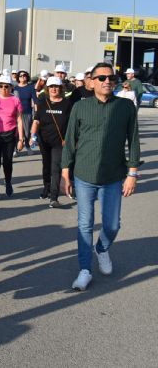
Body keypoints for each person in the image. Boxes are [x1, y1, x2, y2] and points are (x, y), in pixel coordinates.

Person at [61, 62, 140, 291]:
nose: (107, 81)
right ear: (91, 81)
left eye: (111, 78)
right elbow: (70, 141)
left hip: (113, 176)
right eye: (102, 78)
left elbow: (133, 141)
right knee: (84, 224)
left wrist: (132, 173)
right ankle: (84, 270)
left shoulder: (125, 107)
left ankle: (102, 249)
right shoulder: (80, 107)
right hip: (84, 175)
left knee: (112, 225)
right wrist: (66, 172)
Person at [30, 77, 73, 208]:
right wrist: (32, 135)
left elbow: (72, 123)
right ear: (47, 89)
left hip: (60, 142)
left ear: (61, 88)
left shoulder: (67, 104)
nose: (54, 89)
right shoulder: (43, 103)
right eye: (51, 87)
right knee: (46, 166)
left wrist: (70, 138)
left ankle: (53, 198)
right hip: (44, 141)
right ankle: (46, 188)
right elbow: (36, 120)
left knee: (56, 168)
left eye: (57, 86)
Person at [14, 70, 37, 155]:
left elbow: (35, 101)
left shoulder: (31, 87)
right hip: (16, 113)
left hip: (27, 112)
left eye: (24, 75)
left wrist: (37, 113)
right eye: (20, 76)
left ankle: (27, 146)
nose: (22, 77)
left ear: (27, 77)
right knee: (16, 132)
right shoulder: (15, 88)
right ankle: (15, 149)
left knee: (27, 132)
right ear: (18, 78)